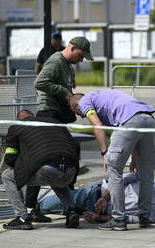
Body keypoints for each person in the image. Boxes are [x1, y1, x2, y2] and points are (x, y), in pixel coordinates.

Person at [70, 89, 155, 231]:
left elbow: (97, 126)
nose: (80, 116)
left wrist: (105, 152)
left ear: (77, 106)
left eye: (76, 112)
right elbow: (133, 133)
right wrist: (134, 158)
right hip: (147, 118)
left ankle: (118, 219)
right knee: (146, 173)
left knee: (113, 169)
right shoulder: (103, 99)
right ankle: (144, 217)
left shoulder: (84, 101)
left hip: (129, 120)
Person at [26, 36, 93, 222]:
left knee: (61, 156)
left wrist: (72, 100)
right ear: (72, 48)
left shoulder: (68, 66)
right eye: (81, 55)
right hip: (47, 115)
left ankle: (66, 206)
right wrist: (65, 93)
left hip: (57, 116)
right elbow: (39, 82)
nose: (81, 60)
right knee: (48, 159)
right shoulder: (56, 61)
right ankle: (34, 208)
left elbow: (65, 90)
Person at [2, 110, 80, 230]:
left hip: (48, 170)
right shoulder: (54, 122)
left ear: (19, 120)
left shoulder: (16, 127)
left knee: (7, 175)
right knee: (56, 178)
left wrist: (23, 165)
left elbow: (10, 158)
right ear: (33, 117)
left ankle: (22, 217)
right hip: (70, 170)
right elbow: (75, 146)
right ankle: (71, 211)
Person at [39, 173, 155, 224]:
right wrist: (98, 218)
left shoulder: (151, 181)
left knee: (69, 198)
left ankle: (37, 208)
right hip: (102, 211)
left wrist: (104, 197)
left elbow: (122, 179)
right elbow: (128, 218)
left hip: (100, 191)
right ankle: (69, 212)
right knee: (70, 203)